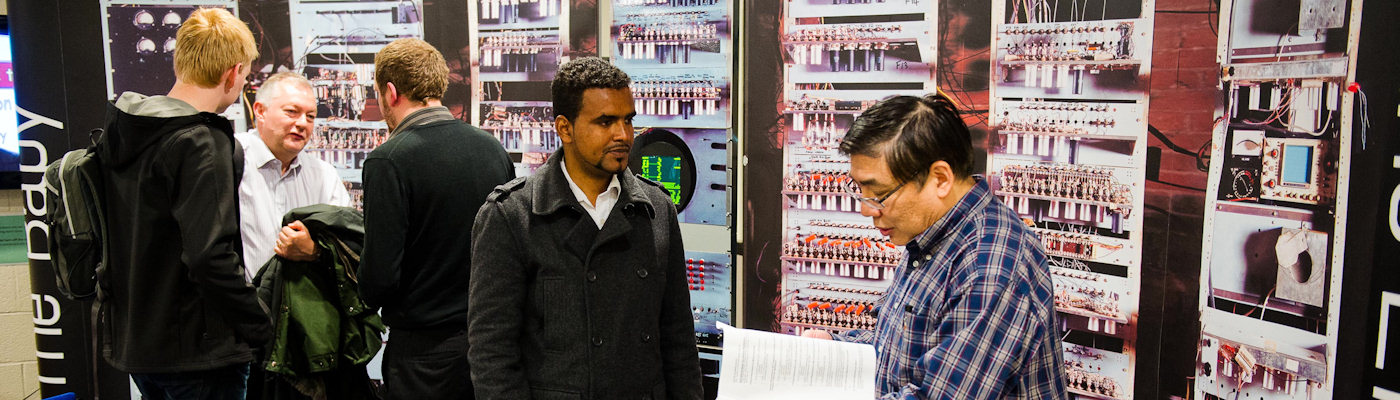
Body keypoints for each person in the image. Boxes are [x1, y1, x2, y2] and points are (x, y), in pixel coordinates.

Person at [802, 94, 1067, 399]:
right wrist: (834, 347)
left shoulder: (990, 263)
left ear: (940, 178)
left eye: (878, 193)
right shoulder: (933, 236)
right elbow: (902, 350)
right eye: (860, 190)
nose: (866, 209)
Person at [468, 57, 703, 399]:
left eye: (627, 120)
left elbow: (678, 338)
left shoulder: (655, 209)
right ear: (565, 128)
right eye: (605, 122)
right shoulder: (512, 216)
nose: (623, 135)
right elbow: (492, 354)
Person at [95, 7, 271, 399]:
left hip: (140, 348)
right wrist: (262, 326)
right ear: (232, 72)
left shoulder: (128, 131)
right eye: (243, 76)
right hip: (199, 354)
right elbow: (210, 257)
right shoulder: (201, 141)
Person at [357, 38, 515, 400]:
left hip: (423, 358)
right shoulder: (492, 149)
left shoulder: (388, 160)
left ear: (390, 92)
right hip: (490, 347)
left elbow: (380, 277)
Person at [236, 71, 351, 279]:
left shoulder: (324, 176)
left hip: (305, 306)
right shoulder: (231, 159)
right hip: (238, 306)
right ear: (260, 111)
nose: (302, 123)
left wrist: (314, 251)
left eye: (310, 117)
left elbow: (348, 248)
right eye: (291, 111)